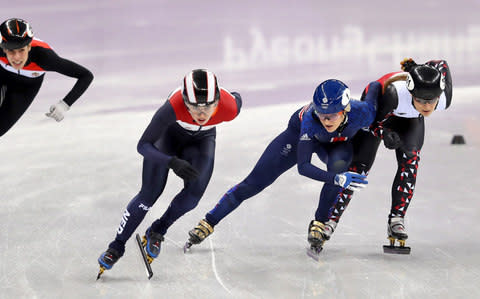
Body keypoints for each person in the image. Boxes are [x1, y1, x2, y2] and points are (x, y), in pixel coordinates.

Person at [185, 79, 379, 254]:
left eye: (331, 116)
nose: (326, 120)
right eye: (321, 114)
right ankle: (208, 222)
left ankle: (319, 223)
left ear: (345, 109)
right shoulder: (311, 121)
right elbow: (303, 166)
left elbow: (375, 86)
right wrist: (338, 179)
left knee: (338, 168)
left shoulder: (363, 112)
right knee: (254, 182)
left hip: (337, 144)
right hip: (298, 139)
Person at [97, 69, 242, 278]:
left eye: (208, 107)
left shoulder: (229, 107)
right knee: (149, 194)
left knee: (193, 196)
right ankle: (116, 246)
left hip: (202, 142)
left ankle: (158, 229)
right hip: (169, 136)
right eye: (194, 107)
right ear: (185, 102)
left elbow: (237, 97)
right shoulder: (173, 107)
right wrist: (171, 161)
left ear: (217, 101)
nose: (201, 114)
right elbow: (143, 145)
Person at [324, 58, 452, 251]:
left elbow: (441, 63)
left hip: (409, 120)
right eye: (420, 100)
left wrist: (421, 66)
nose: (426, 106)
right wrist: (384, 133)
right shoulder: (394, 94)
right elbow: (370, 122)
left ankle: (397, 219)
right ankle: (329, 220)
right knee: (360, 168)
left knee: (411, 160)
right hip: (378, 112)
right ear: (410, 93)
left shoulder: (444, 98)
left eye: (431, 101)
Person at [0, 18, 93, 137]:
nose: (17, 58)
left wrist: (65, 104)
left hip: (25, 87)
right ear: (3, 48)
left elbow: (86, 75)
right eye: (11, 51)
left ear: (29, 47)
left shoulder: (44, 57)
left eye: (22, 50)